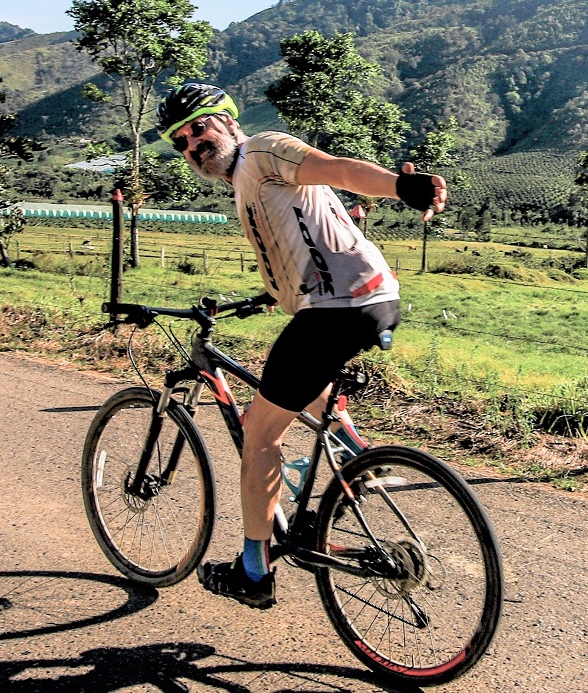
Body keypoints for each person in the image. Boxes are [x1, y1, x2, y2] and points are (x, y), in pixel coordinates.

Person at [158, 81, 446, 609]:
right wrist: (272, 295)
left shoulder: (262, 151)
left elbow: (335, 169)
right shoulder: (247, 178)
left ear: (228, 121)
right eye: (182, 142)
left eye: (200, 128)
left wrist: (400, 187)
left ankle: (253, 571)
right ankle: (356, 460)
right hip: (367, 301)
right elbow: (297, 241)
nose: (193, 144)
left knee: (258, 434)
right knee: (303, 386)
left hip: (337, 310)